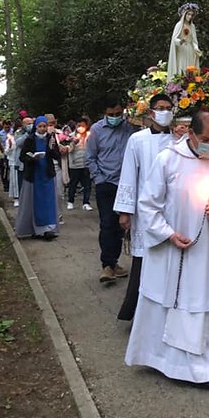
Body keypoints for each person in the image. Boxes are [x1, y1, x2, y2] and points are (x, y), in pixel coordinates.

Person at [125, 110, 209, 395]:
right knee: (170, 301)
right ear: (190, 134)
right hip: (173, 249)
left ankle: (207, 370)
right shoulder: (167, 159)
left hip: (208, 251)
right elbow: (149, 203)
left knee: (207, 305)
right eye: (206, 139)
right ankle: (163, 360)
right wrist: (167, 233)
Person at [115, 93, 176, 320]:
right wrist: (125, 211)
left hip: (172, 209)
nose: (165, 112)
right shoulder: (138, 140)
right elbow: (129, 176)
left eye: (169, 108)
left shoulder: (179, 139)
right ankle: (139, 314)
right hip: (145, 210)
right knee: (145, 261)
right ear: (151, 113)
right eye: (161, 107)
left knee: (169, 260)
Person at [86, 96, 137, 283]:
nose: (115, 117)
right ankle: (107, 264)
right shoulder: (97, 130)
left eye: (118, 113)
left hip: (126, 184)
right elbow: (90, 157)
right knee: (107, 223)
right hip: (106, 183)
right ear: (104, 114)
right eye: (111, 115)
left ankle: (114, 262)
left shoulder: (131, 128)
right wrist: (98, 179)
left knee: (121, 226)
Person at [15, 115, 60, 240]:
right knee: (34, 202)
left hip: (47, 175)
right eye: (40, 126)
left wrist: (52, 147)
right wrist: (32, 158)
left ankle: (49, 229)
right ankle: (35, 229)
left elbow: (56, 156)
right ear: (36, 127)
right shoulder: (30, 140)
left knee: (49, 202)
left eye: (44, 126)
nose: (42, 129)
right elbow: (22, 157)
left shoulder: (50, 139)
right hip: (34, 175)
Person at [167, 2, 202, 80]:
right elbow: (174, 39)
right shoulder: (179, 25)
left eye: (191, 15)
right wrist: (180, 41)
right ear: (184, 14)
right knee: (182, 67)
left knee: (190, 68)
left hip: (190, 50)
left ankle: (189, 83)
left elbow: (194, 40)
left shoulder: (192, 26)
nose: (190, 16)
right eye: (188, 14)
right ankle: (180, 83)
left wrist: (196, 48)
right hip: (181, 50)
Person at [66, 117, 92, 210]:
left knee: (87, 185)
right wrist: (73, 143)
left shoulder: (90, 136)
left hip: (86, 164)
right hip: (74, 164)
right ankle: (70, 201)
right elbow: (68, 149)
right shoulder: (71, 136)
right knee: (73, 184)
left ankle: (86, 203)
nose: (81, 127)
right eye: (79, 125)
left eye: (83, 126)